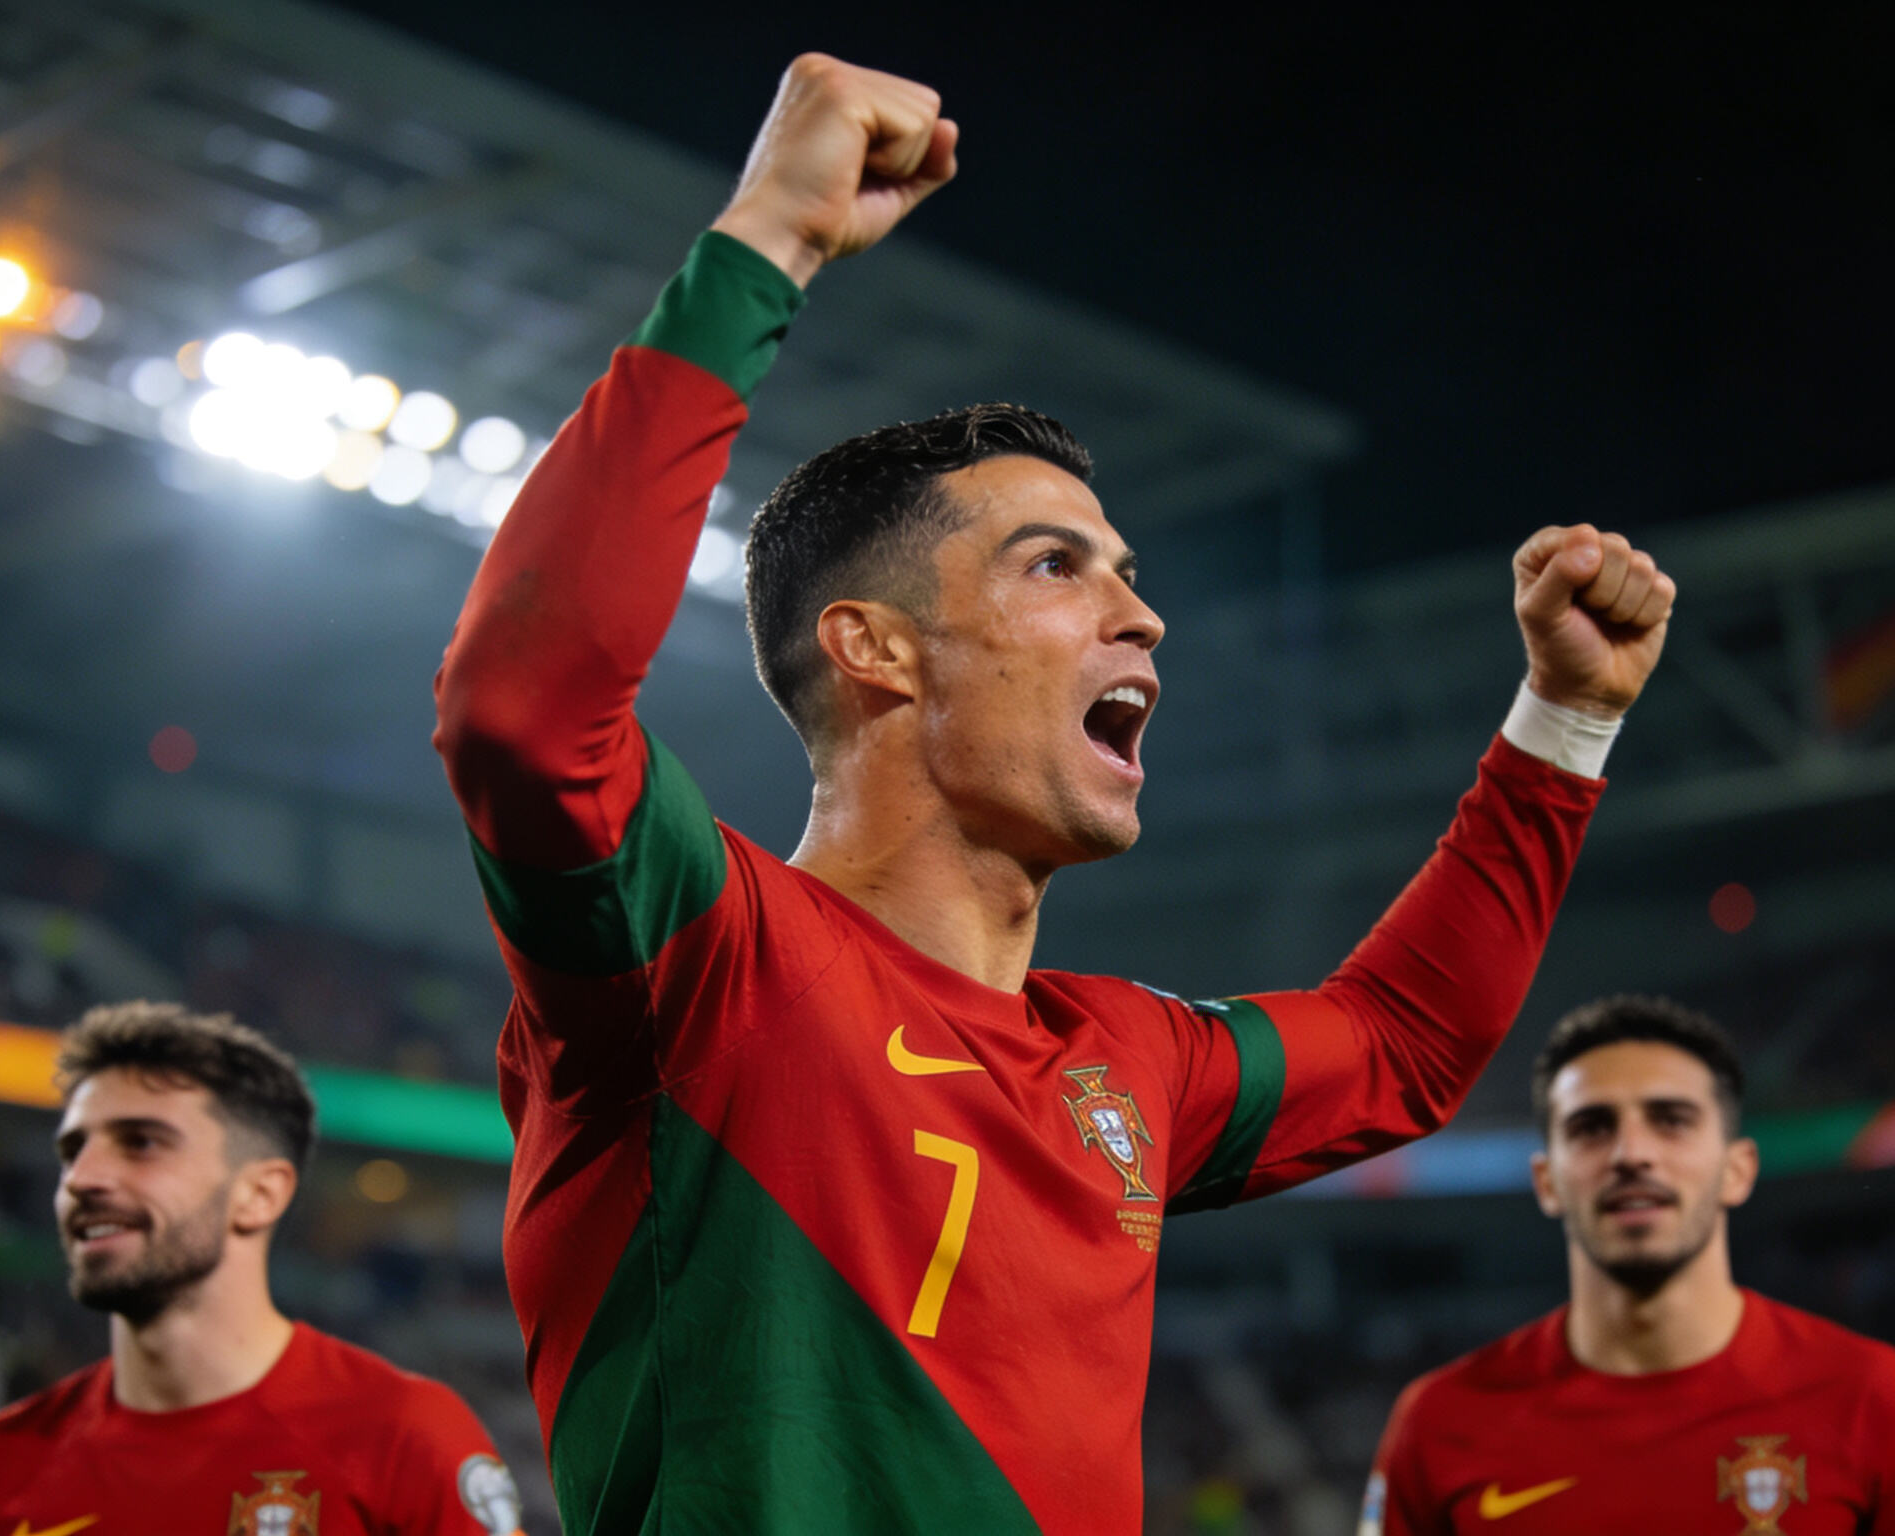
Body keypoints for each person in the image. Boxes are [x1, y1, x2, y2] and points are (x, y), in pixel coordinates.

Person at [431, 53, 1676, 1536]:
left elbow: (1404, 1046)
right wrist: (770, 234)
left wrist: (1567, 721)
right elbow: (524, 710)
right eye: (1056, 566)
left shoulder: (1125, 1065)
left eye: (1133, 578)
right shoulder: (708, 966)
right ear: (876, 649)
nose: (1141, 618)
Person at [0, 1002, 525, 1536]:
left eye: (141, 1143)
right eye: (73, 1150)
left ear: (259, 1195)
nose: (82, 1180)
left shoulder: (405, 1438)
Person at [1360, 995, 1895, 1534]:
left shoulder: (1874, 1399)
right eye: (1592, 1127)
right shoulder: (1438, 1422)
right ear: (1547, 1182)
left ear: (1738, 1169)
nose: (1631, 1153)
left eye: (1671, 1121)